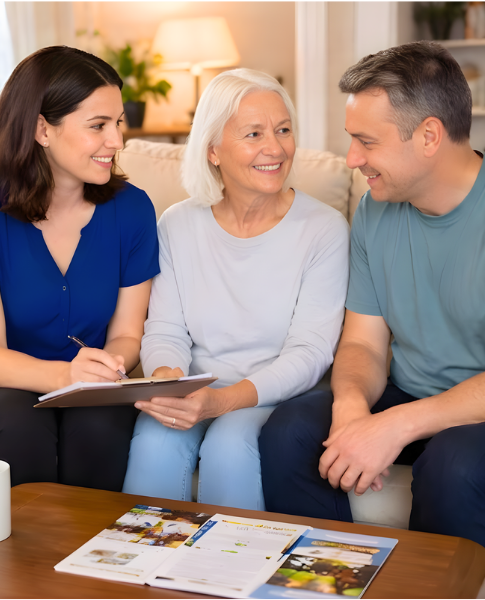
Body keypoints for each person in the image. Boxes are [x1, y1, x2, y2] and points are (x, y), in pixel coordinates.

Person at [259, 41, 485, 572]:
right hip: (417, 390)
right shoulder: (375, 211)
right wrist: (351, 407)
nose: (352, 160)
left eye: (365, 142)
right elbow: (363, 343)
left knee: (450, 461)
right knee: (290, 431)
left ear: (429, 136)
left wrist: (394, 426)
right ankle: (326, 585)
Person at [0, 46, 160, 490]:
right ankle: (24, 562)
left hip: (85, 383)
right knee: (19, 425)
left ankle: (93, 559)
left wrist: (107, 369)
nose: (117, 141)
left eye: (118, 123)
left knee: (101, 425)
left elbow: (128, 336)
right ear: (41, 129)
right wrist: (65, 376)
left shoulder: (133, 210)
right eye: (98, 126)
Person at [121, 69, 349, 510]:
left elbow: (311, 352)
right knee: (155, 441)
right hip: (193, 387)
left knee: (229, 447)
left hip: (276, 395)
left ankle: (231, 576)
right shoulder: (177, 224)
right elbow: (165, 329)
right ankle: (136, 575)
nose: (276, 148)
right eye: (254, 133)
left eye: (283, 130)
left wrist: (223, 401)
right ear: (212, 149)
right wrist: (168, 380)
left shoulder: (324, 229)